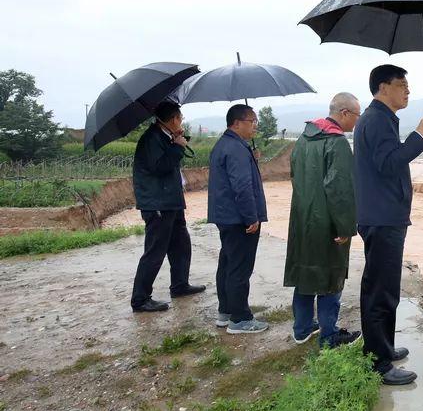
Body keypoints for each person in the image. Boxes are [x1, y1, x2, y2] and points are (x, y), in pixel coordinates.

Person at [353, 65, 423, 385]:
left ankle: (380, 348)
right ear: (383, 87)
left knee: (378, 287)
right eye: (402, 84)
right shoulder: (376, 120)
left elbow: (391, 158)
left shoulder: (380, 118)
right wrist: (418, 135)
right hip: (383, 216)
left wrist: (420, 139)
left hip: (382, 214)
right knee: (382, 292)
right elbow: (388, 164)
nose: (408, 91)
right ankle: (379, 364)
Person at [284, 93, 363, 347]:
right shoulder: (336, 142)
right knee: (331, 276)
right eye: (356, 116)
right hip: (327, 222)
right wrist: (346, 227)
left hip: (302, 217)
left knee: (306, 273)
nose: (357, 122)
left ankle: (302, 329)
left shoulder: (304, 139)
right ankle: (329, 336)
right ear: (344, 113)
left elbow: (295, 175)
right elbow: (339, 189)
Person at [130, 101, 205, 313]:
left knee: (181, 243)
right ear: (172, 119)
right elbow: (160, 167)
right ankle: (140, 299)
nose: (181, 122)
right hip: (158, 203)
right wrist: (177, 147)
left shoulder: (164, 136)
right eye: (180, 118)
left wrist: (177, 142)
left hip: (171, 202)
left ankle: (180, 285)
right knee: (155, 251)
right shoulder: (151, 139)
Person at [208, 104, 269, 334]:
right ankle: (240, 319)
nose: (255, 126)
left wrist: (250, 158)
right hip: (238, 219)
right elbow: (241, 187)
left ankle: (226, 311)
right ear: (237, 123)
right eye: (252, 121)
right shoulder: (235, 149)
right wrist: (250, 217)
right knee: (239, 268)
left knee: (227, 263)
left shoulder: (228, 145)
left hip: (227, 216)